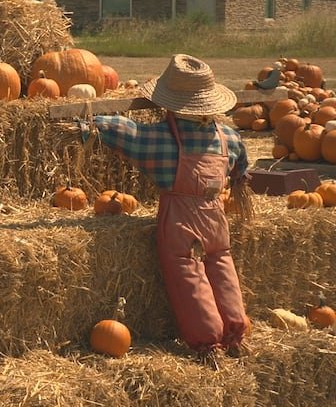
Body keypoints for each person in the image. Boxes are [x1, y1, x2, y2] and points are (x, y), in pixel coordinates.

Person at [78, 53, 251, 365]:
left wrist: (89, 124)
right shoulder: (229, 137)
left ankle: (208, 344)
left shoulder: (161, 139)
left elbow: (125, 131)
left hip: (182, 222)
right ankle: (235, 335)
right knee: (223, 268)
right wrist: (237, 179)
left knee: (189, 278)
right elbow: (241, 169)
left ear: (170, 103)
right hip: (215, 217)